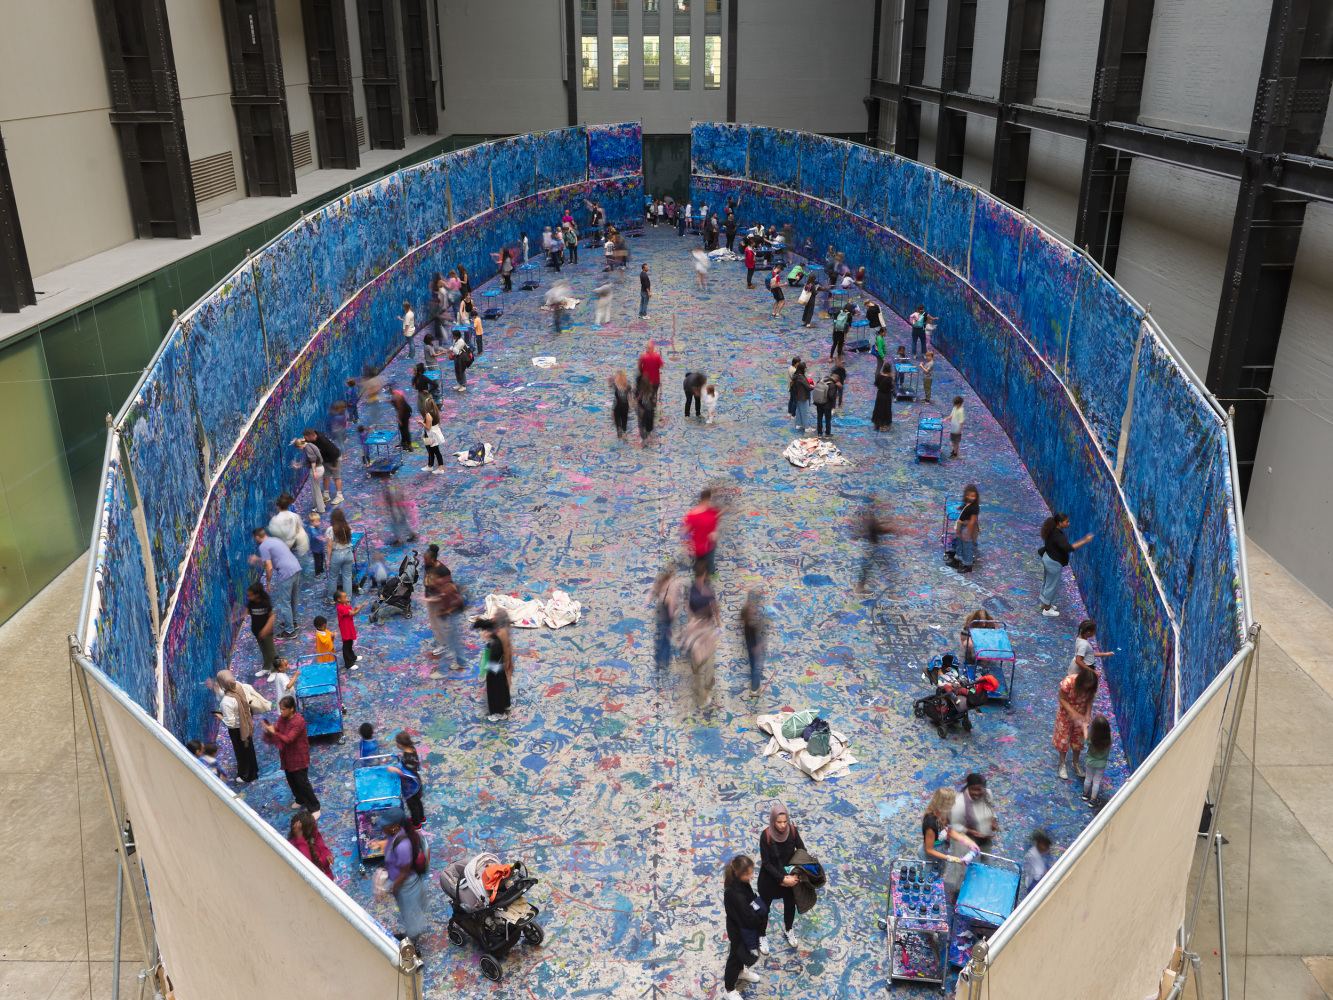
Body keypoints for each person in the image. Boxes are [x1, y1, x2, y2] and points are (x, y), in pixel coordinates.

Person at [757, 802, 806, 952]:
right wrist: (782, 879)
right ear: (773, 821)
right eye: (779, 822)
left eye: (785, 821)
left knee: (790, 906)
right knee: (764, 909)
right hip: (770, 880)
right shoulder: (765, 836)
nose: (783, 825)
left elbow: (802, 851)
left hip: (791, 878)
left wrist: (795, 875)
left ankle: (788, 930)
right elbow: (766, 863)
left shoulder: (792, 831)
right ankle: (761, 936)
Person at [378, 806, 428, 952]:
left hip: (407, 887)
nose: (382, 826)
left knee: (412, 916)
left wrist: (393, 887)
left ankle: (413, 945)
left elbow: (404, 872)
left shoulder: (403, 846)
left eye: (385, 824)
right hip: (403, 885)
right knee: (409, 914)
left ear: (394, 826)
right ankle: (410, 937)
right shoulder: (395, 836)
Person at [262, 696, 320, 816]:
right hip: (287, 756)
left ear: (292, 708)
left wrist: (274, 732)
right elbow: (276, 728)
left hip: (299, 757)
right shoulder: (282, 719)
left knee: (302, 782)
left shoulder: (298, 721)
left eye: (284, 709)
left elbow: (289, 739)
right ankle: (300, 799)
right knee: (292, 780)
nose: (281, 711)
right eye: (280, 709)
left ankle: (314, 807)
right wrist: (270, 730)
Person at [720, 855, 767, 999]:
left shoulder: (740, 882)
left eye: (751, 872)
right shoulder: (735, 894)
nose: (751, 876)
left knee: (742, 952)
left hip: (741, 926)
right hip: (739, 930)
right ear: (737, 873)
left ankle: (741, 972)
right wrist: (760, 917)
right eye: (748, 874)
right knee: (735, 956)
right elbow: (748, 918)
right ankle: (728, 990)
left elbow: (751, 899)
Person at [1038, 514, 1094, 616]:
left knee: (1047, 582)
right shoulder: (1058, 536)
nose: (1068, 523)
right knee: (1051, 586)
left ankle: (1044, 603)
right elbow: (1069, 548)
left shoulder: (1052, 529)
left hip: (1048, 558)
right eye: (1066, 522)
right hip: (1053, 563)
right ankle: (1046, 610)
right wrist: (1085, 540)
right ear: (1060, 523)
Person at [683, 566, 720, 709]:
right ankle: (709, 683)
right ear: (704, 573)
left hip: (695, 629)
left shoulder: (691, 590)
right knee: (710, 658)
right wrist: (718, 619)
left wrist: (690, 627)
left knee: (696, 668)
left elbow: (688, 611)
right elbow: (715, 607)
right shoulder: (708, 591)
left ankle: (700, 699)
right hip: (707, 629)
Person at [252, 527, 300, 638]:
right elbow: (270, 560)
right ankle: (292, 622)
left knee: (285, 603)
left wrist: (268, 582)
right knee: (293, 598)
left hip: (285, 573)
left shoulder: (263, 546)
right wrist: (258, 560)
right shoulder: (275, 540)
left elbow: (269, 567)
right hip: (296, 568)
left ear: (257, 537)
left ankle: (289, 631)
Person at [213, 669, 259, 783]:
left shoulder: (227, 701)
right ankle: (253, 770)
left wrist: (219, 716)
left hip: (238, 730)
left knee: (242, 752)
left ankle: (247, 775)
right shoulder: (238, 685)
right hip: (247, 722)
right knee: (249, 749)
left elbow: (230, 723)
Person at [920, 788, 979, 877]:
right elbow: (929, 850)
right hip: (930, 856)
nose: (954, 804)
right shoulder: (930, 823)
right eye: (951, 803)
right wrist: (952, 858)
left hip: (942, 850)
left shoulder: (944, 814)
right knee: (927, 877)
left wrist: (968, 842)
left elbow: (949, 831)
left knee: (938, 873)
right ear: (943, 804)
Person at [1055, 665, 1099, 779]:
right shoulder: (1068, 682)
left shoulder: (1092, 686)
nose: (1086, 689)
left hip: (1081, 713)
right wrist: (1072, 713)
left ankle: (1075, 763)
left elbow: (1089, 699)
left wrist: (1088, 714)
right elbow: (1062, 698)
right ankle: (1063, 764)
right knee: (1063, 738)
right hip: (1065, 713)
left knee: (1078, 739)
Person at [425, 565, 468, 671]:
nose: (430, 580)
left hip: (449, 616)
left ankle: (453, 664)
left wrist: (446, 611)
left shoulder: (447, 588)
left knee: (452, 639)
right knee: (453, 639)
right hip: (447, 614)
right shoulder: (439, 587)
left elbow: (457, 602)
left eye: (433, 578)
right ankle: (459, 660)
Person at [855, 498, 898, 593]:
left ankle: (859, 587)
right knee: (889, 569)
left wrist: (884, 522)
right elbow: (875, 527)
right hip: (871, 546)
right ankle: (892, 593)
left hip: (867, 545)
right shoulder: (868, 514)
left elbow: (873, 524)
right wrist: (893, 528)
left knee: (866, 567)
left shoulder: (864, 512)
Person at [477, 617, 514, 721]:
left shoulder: (496, 644)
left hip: (495, 670)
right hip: (501, 669)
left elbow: (492, 656)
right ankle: (506, 705)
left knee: (495, 692)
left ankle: (498, 713)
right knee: (503, 688)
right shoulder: (503, 636)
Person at [950, 773, 1000, 851]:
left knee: (986, 861)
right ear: (968, 787)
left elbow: (991, 810)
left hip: (985, 840)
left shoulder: (987, 794)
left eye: (980, 789)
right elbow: (954, 826)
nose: (977, 793)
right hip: (966, 843)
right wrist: (970, 832)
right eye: (973, 789)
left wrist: (992, 822)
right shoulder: (959, 802)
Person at [390, 731, 425, 828]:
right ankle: (421, 817)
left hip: (411, 786)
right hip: (417, 783)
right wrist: (402, 755)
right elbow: (410, 759)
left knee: (413, 806)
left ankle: (416, 825)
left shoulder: (408, 759)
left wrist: (395, 769)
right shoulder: (411, 749)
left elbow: (406, 773)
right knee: (418, 801)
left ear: (400, 745)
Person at [683, 489, 720, 576]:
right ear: (708, 499)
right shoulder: (711, 512)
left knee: (699, 560)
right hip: (708, 545)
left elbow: (685, 530)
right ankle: (711, 572)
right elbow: (714, 534)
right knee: (710, 560)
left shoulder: (692, 514)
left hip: (698, 545)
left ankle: (698, 573)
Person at [303, 427, 344, 507]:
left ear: (310, 436)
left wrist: (334, 465)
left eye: (306, 438)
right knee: (325, 477)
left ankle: (339, 496)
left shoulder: (323, 442)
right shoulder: (313, 437)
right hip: (326, 460)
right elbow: (305, 441)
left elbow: (334, 453)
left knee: (336, 477)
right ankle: (326, 495)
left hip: (334, 459)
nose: (305, 439)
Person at [289, 811, 335, 880]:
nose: (316, 822)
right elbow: (307, 864)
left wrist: (327, 854)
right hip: (320, 880)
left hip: (327, 873)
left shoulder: (313, 833)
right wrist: (300, 839)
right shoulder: (295, 845)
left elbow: (320, 843)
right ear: (308, 829)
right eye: (314, 822)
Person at [245, 582, 277, 675]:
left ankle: (275, 670)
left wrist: (266, 629)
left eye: (250, 595)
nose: (248, 597)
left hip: (266, 632)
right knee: (264, 650)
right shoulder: (251, 603)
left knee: (271, 650)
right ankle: (266, 667)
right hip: (256, 630)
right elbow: (247, 612)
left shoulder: (265, 603)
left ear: (257, 594)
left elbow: (272, 616)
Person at [289, 434, 326, 514]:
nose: (300, 449)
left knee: (316, 489)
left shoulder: (307, 448)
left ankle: (320, 508)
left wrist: (314, 471)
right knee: (314, 488)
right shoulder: (309, 445)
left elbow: (313, 460)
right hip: (319, 468)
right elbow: (308, 462)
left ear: (300, 445)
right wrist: (298, 465)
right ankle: (318, 506)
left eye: (299, 448)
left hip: (316, 469)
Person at [325, 508, 355, 601]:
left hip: (336, 555)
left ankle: (331, 598)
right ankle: (348, 598)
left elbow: (329, 546)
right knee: (347, 577)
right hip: (348, 553)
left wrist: (328, 559)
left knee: (333, 577)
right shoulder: (347, 527)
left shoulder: (331, 529)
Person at [740, 590, 766, 697]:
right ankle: (755, 690)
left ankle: (755, 688)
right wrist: (759, 647)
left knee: (753, 666)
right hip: (754, 648)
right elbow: (757, 638)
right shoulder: (752, 625)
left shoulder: (747, 623)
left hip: (751, 647)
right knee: (756, 667)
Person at [1083, 715, 1113, 804]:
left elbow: (1086, 738)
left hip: (1090, 762)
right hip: (1101, 764)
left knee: (1088, 778)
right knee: (1096, 781)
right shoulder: (1109, 737)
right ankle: (1092, 800)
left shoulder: (1092, 738)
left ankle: (1085, 794)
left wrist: (1085, 728)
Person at [651, 570, 678, 670]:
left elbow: (652, 593)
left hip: (660, 616)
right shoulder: (671, 589)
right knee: (666, 640)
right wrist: (673, 615)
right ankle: (665, 662)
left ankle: (658, 661)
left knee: (659, 639)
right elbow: (671, 606)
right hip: (666, 618)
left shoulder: (661, 587)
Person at [951, 484, 981, 573]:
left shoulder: (975, 507)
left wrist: (968, 531)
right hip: (962, 526)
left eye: (972, 496)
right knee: (959, 543)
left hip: (968, 527)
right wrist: (960, 507)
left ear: (976, 497)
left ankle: (967, 565)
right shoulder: (967, 503)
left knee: (967, 546)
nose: (970, 497)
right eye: (968, 495)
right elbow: (965, 507)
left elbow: (972, 521)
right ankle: (958, 559)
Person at [335, 589, 366, 672]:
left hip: (349, 626)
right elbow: (353, 613)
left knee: (350, 643)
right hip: (345, 629)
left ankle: (353, 657)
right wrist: (361, 607)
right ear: (339, 599)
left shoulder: (346, 604)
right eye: (344, 597)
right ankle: (348, 663)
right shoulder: (340, 607)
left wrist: (356, 608)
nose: (347, 598)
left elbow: (351, 611)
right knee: (346, 645)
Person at [812, 369, 843, 437]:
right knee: (827, 420)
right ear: (836, 379)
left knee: (819, 418)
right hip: (827, 405)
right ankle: (827, 433)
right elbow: (831, 396)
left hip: (818, 403)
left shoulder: (821, 380)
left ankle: (819, 433)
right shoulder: (832, 385)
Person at [634, 369, 658, 444]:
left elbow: (637, 400)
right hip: (650, 410)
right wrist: (653, 405)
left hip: (643, 410)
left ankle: (644, 438)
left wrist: (637, 406)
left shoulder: (639, 392)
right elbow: (654, 400)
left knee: (642, 425)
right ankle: (649, 433)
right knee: (649, 423)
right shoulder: (652, 391)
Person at [872, 362, 896, 431]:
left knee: (878, 408)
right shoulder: (889, 379)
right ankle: (882, 426)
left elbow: (876, 384)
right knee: (884, 410)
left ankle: (876, 424)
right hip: (886, 396)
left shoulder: (879, 376)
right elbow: (891, 388)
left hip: (879, 395)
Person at [790, 361, 812, 433]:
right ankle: (806, 427)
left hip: (797, 396)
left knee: (799, 411)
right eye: (805, 367)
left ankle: (798, 424)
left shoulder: (795, 376)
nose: (806, 369)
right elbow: (808, 387)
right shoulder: (801, 377)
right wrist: (812, 386)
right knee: (806, 411)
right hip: (802, 396)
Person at [609, 369, 631, 441]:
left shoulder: (616, 386)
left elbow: (610, 386)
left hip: (618, 405)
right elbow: (630, 396)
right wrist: (630, 404)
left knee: (617, 418)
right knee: (624, 419)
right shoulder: (627, 386)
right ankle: (624, 431)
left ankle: (619, 428)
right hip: (625, 405)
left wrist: (610, 381)